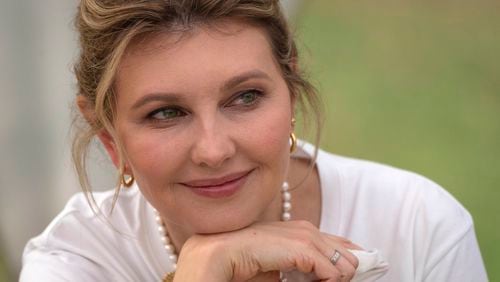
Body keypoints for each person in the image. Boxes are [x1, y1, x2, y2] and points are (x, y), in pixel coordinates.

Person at [21, 0, 487, 281]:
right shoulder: (77, 260)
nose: (214, 149)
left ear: (291, 91)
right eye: (165, 113)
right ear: (109, 136)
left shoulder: (418, 226)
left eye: (245, 97)